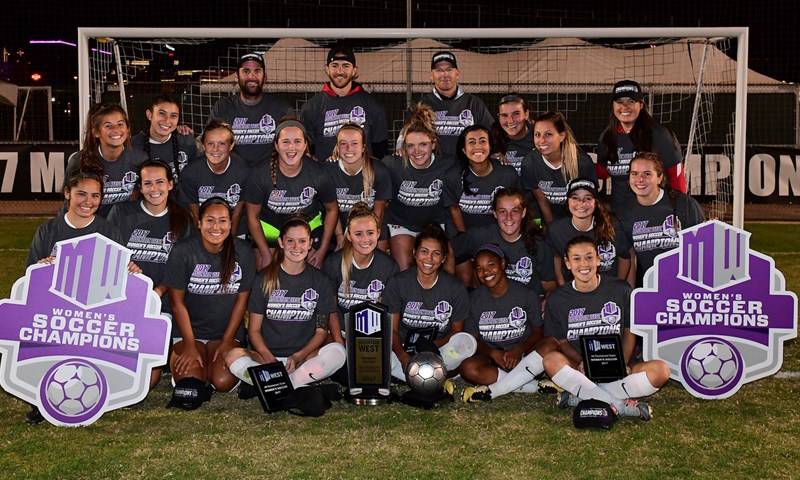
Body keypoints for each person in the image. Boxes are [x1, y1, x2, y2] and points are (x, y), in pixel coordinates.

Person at [24, 171, 139, 424]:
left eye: (95, 195)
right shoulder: (49, 230)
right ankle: (43, 398)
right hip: (55, 312)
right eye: (81, 194)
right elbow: (29, 280)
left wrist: (131, 271)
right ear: (67, 194)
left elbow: (120, 284)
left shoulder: (108, 231)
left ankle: (95, 393)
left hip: (95, 313)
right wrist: (41, 270)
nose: (88, 201)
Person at [541, 236, 671, 420]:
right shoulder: (557, 298)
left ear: (599, 260)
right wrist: (581, 362)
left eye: (589, 257)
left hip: (619, 367)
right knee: (551, 360)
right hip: (582, 370)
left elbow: (628, 331)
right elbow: (562, 342)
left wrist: (621, 364)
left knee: (661, 370)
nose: (584, 264)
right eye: (576, 258)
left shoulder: (620, 289)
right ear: (567, 264)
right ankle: (619, 404)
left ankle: (582, 395)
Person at [226, 216, 347, 389]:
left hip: (303, 358)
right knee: (233, 355)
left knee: (338, 352)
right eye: (290, 241)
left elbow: (321, 331)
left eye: (302, 241)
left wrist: (298, 356)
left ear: (310, 243)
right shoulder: (263, 278)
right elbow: (253, 330)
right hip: (267, 357)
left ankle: (281, 384)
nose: (296, 247)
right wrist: (269, 359)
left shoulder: (321, 281)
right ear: (281, 242)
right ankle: (287, 382)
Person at [107, 160, 191, 389]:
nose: (154, 189)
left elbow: (183, 269)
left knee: (147, 381)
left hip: (162, 305)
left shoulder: (182, 219)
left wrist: (159, 290)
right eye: (148, 183)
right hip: (124, 303)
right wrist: (123, 265)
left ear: (171, 184)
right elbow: (107, 254)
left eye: (160, 182)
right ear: (140, 187)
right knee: (123, 375)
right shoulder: (122, 213)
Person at [163, 198, 255, 395]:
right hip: (190, 332)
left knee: (222, 382)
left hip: (225, 332)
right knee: (191, 381)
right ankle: (197, 363)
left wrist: (227, 340)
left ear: (231, 224)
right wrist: (188, 344)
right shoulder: (182, 251)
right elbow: (176, 303)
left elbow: (242, 300)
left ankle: (213, 364)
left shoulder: (244, 251)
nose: (216, 227)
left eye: (223, 220)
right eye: (210, 220)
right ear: (199, 223)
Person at [459, 244, 559, 403]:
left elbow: (538, 333)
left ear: (503, 264)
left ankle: (496, 389)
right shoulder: (474, 299)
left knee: (551, 344)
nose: (486, 272)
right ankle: (531, 385)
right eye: (479, 268)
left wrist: (519, 350)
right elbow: (472, 340)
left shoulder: (526, 294)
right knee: (468, 368)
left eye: (491, 265)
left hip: (524, 356)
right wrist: (492, 353)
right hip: (493, 358)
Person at [382, 223, 476, 380]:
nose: (429, 259)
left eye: (436, 253)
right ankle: (432, 374)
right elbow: (392, 330)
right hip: (405, 349)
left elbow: (456, 332)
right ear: (414, 253)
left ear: (443, 258)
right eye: (424, 251)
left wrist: (430, 348)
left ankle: (420, 374)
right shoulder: (398, 283)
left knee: (467, 342)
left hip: (440, 350)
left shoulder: (455, 288)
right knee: (379, 352)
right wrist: (403, 355)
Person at [244, 118, 338, 269]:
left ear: (305, 145)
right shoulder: (260, 174)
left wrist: (322, 250)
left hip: (307, 225)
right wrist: (265, 253)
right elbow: (252, 216)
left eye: (297, 141)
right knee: (266, 271)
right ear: (276, 145)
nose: (291, 147)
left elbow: (332, 209)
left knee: (308, 271)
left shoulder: (318, 173)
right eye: (285, 142)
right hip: (271, 226)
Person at [382, 103, 462, 272]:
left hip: (436, 224)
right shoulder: (392, 165)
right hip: (402, 224)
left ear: (433, 144)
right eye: (410, 146)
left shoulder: (448, 164)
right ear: (404, 147)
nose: (417, 151)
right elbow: (366, 167)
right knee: (405, 270)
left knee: (446, 272)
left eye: (423, 145)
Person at [597, 80, 687, 215]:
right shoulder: (607, 136)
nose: (625, 106)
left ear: (641, 105)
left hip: (655, 216)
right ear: (613, 105)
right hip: (621, 217)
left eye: (631, 101)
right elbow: (603, 171)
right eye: (620, 101)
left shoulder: (659, 135)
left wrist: (680, 211)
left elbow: (676, 176)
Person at [621, 152, 705, 287]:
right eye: (634, 174)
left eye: (647, 174)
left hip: (686, 286)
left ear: (660, 178)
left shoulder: (684, 204)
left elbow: (702, 249)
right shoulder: (626, 213)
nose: (640, 179)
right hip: (651, 289)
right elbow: (629, 257)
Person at [453, 187, 556, 296]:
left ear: (523, 212)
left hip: (526, 305)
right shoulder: (481, 235)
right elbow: (449, 248)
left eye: (515, 211)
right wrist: (449, 276)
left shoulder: (538, 243)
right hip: (493, 305)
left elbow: (549, 282)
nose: (509, 217)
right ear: (495, 213)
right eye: (502, 211)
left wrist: (546, 299)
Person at [322, 202, 399, 344]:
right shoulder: (333, 263)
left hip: (374, 334)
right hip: (341, 333)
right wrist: (339, 341)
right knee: (334, 356)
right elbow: (330, 309)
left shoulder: (389, 266)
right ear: (349, 236)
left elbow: (388, 313)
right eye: (358, 234)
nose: (365, 239)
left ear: (378, 233)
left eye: (370, 233)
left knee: (392, 365)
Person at [454, 125, 519, 286]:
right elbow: (454, 209)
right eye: (471, 142)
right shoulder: (454, 175)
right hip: (466, 237)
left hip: (497, 239)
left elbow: (515, 208)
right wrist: (467, 242)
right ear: (463, 149)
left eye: (483, 141)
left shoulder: (507, 173)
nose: (477, 146)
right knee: (467, 279)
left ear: (490, 146)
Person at [300, 46, 389, 159]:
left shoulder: (373, 105)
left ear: (354, 70)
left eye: (346, 66)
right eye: (335, 65)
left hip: (361, 175)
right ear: (327, 69)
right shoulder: (311, 107)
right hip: (325, 175)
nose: (340, 71)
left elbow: (379, 149)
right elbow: (308, 150)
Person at [209, 52, 294, 169]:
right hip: (234, 178)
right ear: (236, 76)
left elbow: (295, 142)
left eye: (257, 71)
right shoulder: (223, 107)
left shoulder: (281, 107)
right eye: (246, 71)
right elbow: (208, 142)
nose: (252, 76)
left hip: (270, 177)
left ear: (265, 77)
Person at [64, 103, 148, 217]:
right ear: (96, 132)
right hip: (91, 225)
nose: (116, 130)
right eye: (108, 126)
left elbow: (139, 197)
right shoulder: (79, 161)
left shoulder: (140, 160)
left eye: (120, 124)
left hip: (124, 226)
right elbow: (69, 202)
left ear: (127, 129)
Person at [545, 178, 631, 285]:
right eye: (575, 198)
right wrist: (563, 286)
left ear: (595, 203)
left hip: (608, 288)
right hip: (575, 291)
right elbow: (556, 257)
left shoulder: (612, 225)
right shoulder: (556, 229)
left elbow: (624, 258)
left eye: (588, 198)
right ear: (568, 202)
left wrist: (617, 287)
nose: (581, 203)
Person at [321, 123, 392, 249]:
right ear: (337, 147)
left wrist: (371, 238)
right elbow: (332, 210)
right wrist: (339, 237)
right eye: (343, 144)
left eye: (354, 143)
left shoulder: (379, 171)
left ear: (363, 147)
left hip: (372, 228)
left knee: (377, 263)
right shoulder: (328, 170)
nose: (349, 148)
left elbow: (379, 212)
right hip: (340, 229)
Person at [521, 111, 597, 226]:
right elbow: (542, 201)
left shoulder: (582, 162)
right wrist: (553, 230)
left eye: (548, 134)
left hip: (579, 217)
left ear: (562, 136)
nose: (541, 140)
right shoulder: (530, 163)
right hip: (551, 218)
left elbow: (588, 201)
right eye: (537, 135)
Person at [178, 120, 250, 237]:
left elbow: (237, 212)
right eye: (210, 143)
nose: (215, 149)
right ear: (203, 145)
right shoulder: (190, 173)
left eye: (222, 144)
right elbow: (196, 215)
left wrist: (228, 243)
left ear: (231, 145)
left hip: (234, 231)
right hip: (203, 231)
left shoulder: (244, 171)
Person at [418, 51, 494, 156]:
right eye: (438, 70)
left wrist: (497, 152)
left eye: (449, 70)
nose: (444, 74)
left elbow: (492, 133)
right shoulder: (421, 105)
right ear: (431, 75)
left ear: (457, 73)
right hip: (434, 169)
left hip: (466, 168)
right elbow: (406, 135)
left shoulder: (474, 103)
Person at [131, 94, 198, 185]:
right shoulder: (133, 146)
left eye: (173, 116)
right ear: (149, 115)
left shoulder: (187, 142)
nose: (167, 121)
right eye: (162, 113)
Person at [490, 94, 535, 175]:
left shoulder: (539, 136)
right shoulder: (491, 140)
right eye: (504, 115)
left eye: (516, 114)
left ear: (526, 114)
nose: (510, 121)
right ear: (499, 117)